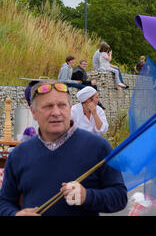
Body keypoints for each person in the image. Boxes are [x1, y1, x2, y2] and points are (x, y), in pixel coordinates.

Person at [0, 80, 127, 216]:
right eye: (48, 106)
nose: (56, 112)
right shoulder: (19, 154)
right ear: (34, 112)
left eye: (62, 105)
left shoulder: (98, 147)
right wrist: (15, 215)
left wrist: (87, 196)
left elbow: (119, 197)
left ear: (70, 107)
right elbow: (4, 202)